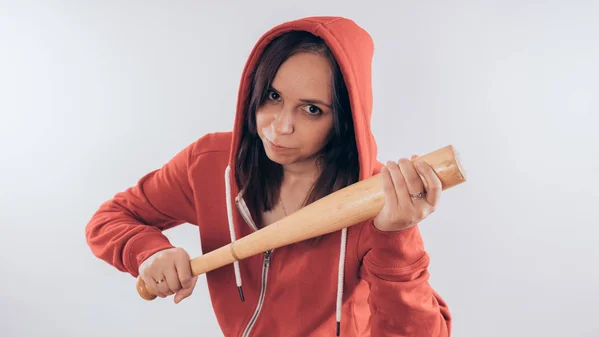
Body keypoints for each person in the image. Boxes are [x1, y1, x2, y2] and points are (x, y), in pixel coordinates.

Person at [85, 16, 452, 337]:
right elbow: (110, 219)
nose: (280, 126)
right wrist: (149, 253)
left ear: (343, 119)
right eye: (273, 96)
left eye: (312, 109)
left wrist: (396, 239)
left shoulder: (377, 201)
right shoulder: (211, 165)